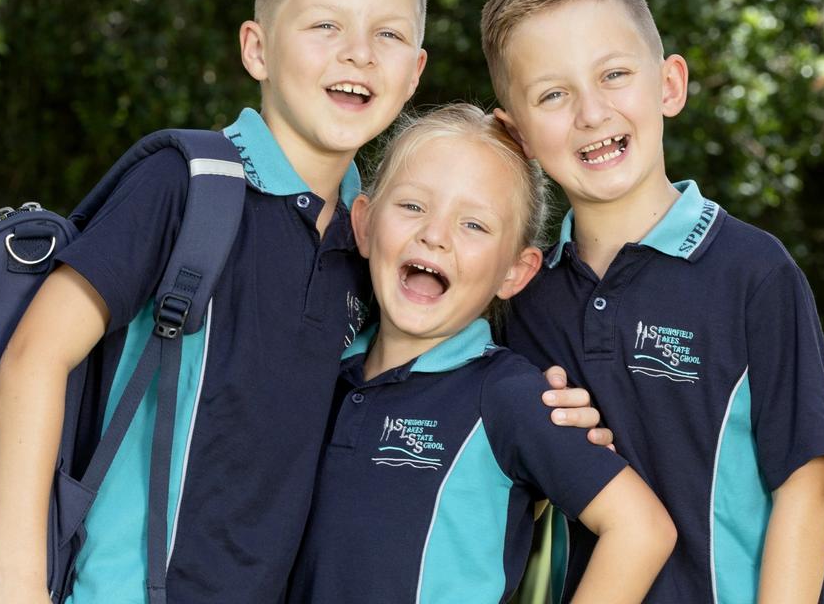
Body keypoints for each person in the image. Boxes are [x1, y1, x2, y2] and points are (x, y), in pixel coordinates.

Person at [0, 0, 431, 604]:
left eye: (389, 34)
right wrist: (15, 585)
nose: (359, 52)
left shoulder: (372, 246)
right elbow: (35, 354)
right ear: (256, 48)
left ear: (414, 73)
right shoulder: (185, 184)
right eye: (325, 25)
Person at [483, 0, 824, 603]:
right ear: (518, 137)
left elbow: (807, 488)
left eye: (615, 75)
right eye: (552, 95)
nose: (591, 113)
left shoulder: (754, 273)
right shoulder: (523, 302)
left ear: (669, 85)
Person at [287, 103, 676, 603]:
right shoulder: (317, 373)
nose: (435, 234)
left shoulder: (508, 395)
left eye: (474, 225)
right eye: (412, 206)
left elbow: (641, 529)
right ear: (363, 224)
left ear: (516, 271)